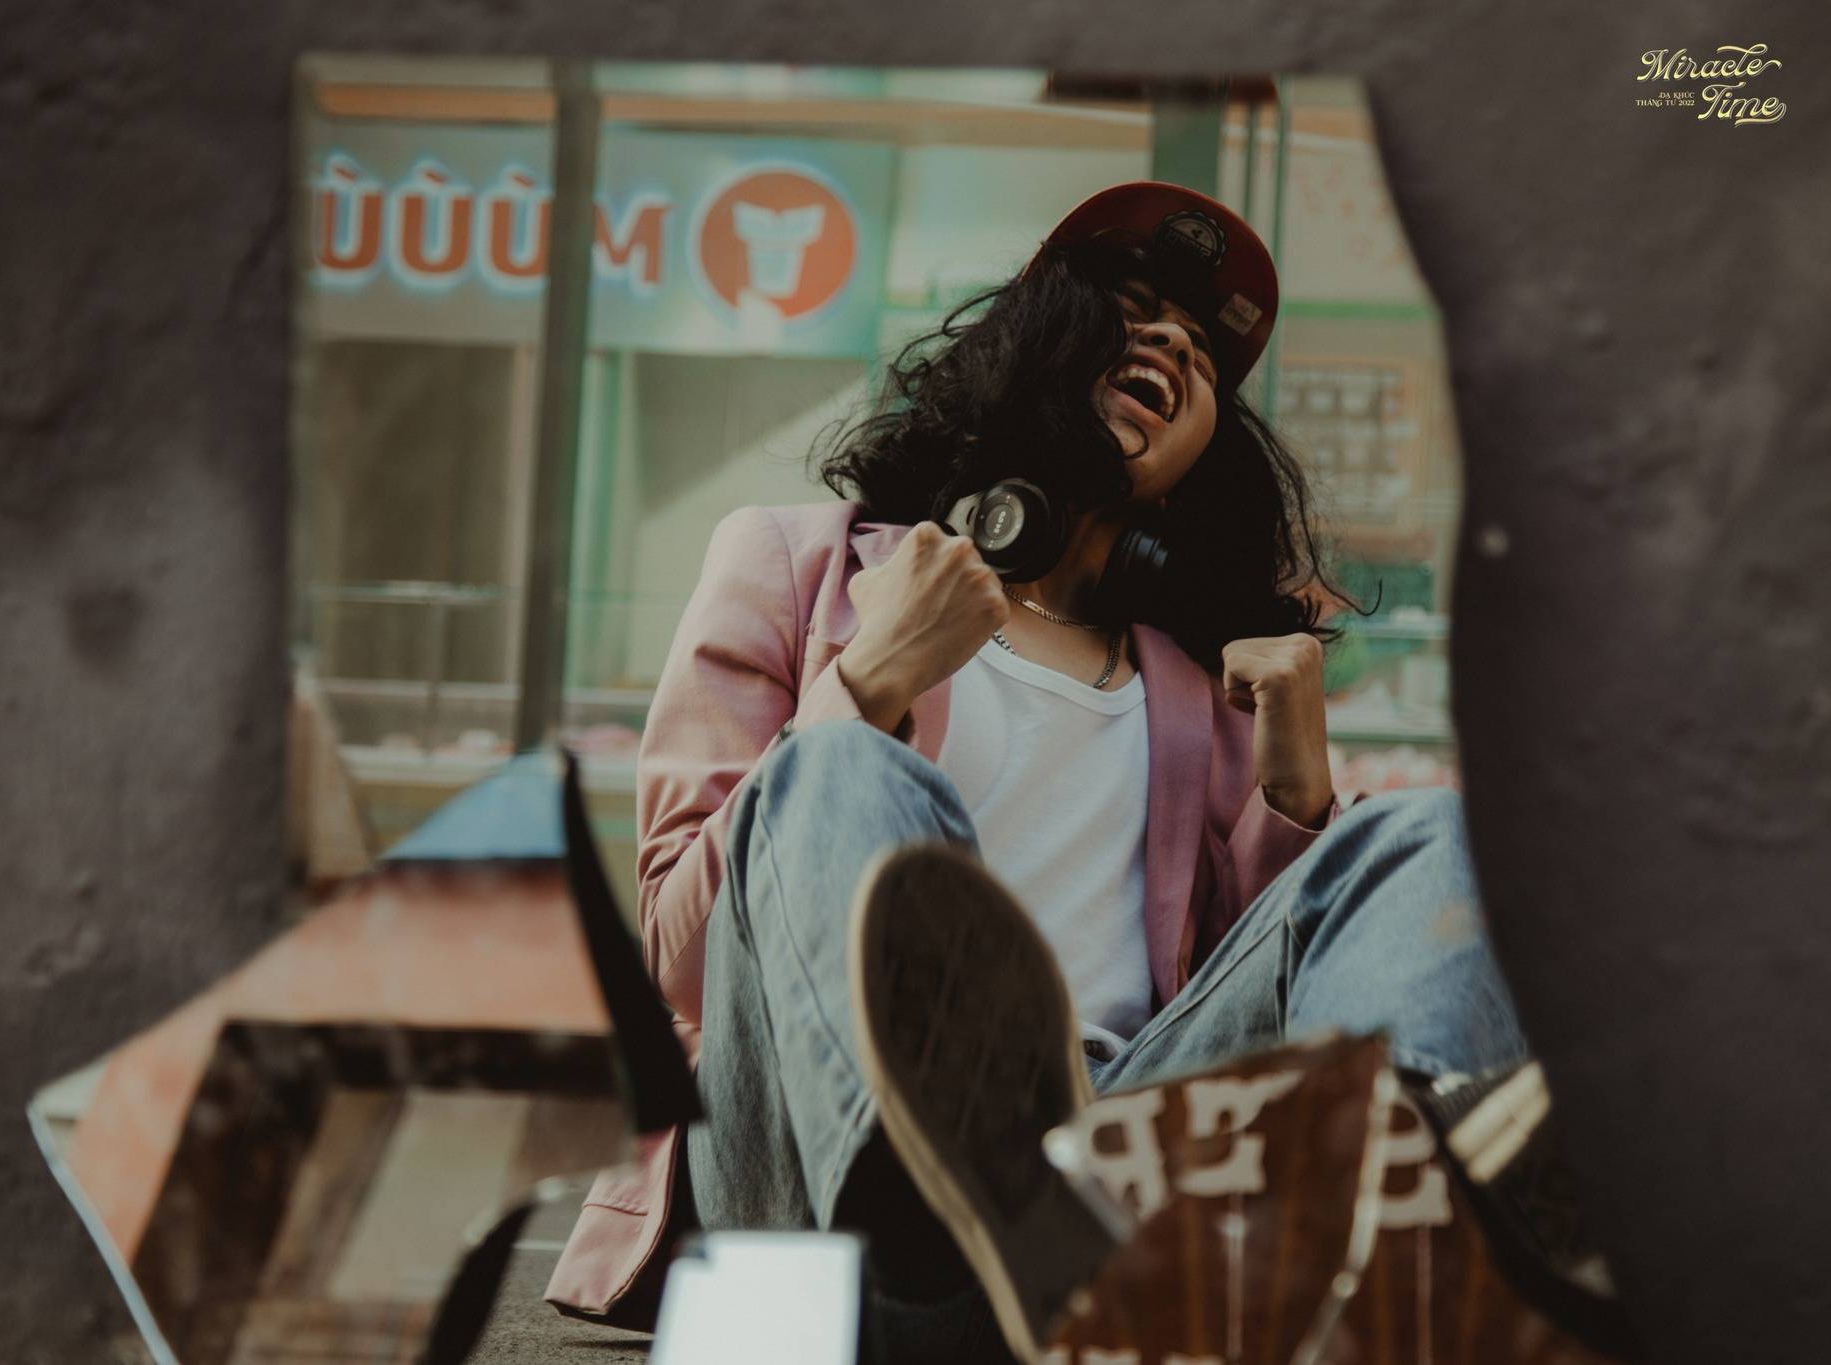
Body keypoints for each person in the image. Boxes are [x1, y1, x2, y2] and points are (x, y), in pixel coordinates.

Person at [544, 183, 1619, 1363]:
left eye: (1199, 346)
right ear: (1033, 342)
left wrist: (1298, 800)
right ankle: (938, 1227)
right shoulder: (796, 565)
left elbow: (1258, 1002)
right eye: (1133, 307)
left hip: (1110, 1174)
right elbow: (681, 958)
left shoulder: (1198, 693)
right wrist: (864, 684)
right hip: (813, 1184)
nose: (1171, 343)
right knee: (836, 766)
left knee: (1425, 836)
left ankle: (1394, 1236)